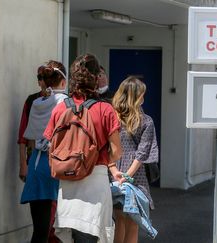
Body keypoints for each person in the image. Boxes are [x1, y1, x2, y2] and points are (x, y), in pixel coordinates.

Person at [43, 53, 124, 243]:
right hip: (95, 182)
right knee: (92, 235)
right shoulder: (105, 109)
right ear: (96, 79)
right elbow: (116, 151)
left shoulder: (61, 108)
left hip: (67, 183)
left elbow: (50, 145)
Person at [20, 60, 68, 243]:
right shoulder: (65, 103)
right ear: (62, 81)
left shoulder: (37, 103)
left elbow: (30, 137)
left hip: (36, 165)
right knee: (47, 229)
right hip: (55, 167)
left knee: (39, 228)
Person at [112, 76, 159, 243]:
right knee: (133, 223)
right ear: (137, 97)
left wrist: (116, 173)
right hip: (136, 177)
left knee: (119, 222)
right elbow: (142, 153)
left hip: (113, 173)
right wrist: (128, 176)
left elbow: (107, 146)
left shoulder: (112, 117)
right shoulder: (146, 121)